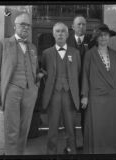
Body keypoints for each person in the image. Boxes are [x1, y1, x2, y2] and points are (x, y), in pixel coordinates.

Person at [0, 13, 44, 155]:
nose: (26, 27)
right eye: (22, 24)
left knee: (24, 130)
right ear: (15, 26)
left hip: (30, 91)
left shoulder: (32, 47)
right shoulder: (4, 43)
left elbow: (35, 69)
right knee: (12, 129)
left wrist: (38, 79)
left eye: (28, 25)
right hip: (11, 90)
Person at [81, 24, 116, 154]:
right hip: (96, 97)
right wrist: (85, 95)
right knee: (97, 128)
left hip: (113, 96)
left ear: (109, 37)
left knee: (112, 127)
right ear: (96, 38)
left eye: (106, 35)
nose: (103, 37)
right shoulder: (89, 54)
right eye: (100, 35)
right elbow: (85, 75)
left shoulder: (115, 54)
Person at [41, 22, 81, 154]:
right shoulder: (46, 53)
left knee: (70, 127)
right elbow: (43, 72)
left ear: (68, 34)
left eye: (63, 31)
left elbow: (78, 73)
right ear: (53, 34)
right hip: (53, 95)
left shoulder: (75, 53)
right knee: (52, 127)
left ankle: (71, 150)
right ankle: (51, 152)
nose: (60, 33)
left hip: (70, 94)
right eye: (57, 31)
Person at [66, 15, 91, 150]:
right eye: (79, 24)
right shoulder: (66, 40)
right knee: (69, 119)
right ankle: (71, 146)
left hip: (87, 87)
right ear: (73, 27)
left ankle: (87, 146)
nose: (82, 27)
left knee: (86, 119)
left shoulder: (92, 41)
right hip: (70, 87)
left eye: (84, 24)